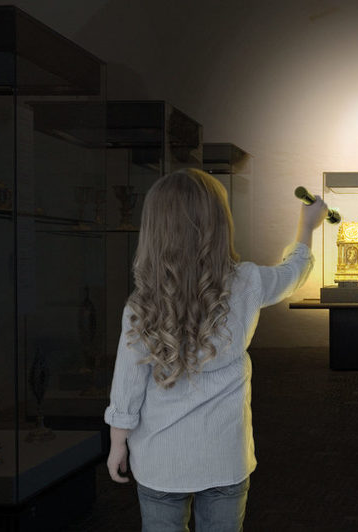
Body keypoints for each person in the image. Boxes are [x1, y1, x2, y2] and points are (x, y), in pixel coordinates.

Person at [104, 168, 327, 532]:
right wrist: (306, 226)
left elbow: (127, 387)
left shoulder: (141, 305)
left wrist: (118, 445)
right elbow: (294, 272)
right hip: (225, 458)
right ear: (219, 224)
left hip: (161, 460)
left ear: (154, 230)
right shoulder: (247, 283)